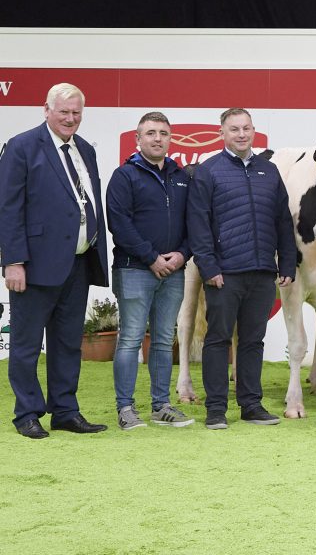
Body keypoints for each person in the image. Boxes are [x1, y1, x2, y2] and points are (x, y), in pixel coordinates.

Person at [0, 83, 109, 438]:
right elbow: (8, 208)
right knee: (27, 345)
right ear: (45, 109)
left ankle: (65, 410)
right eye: (63, 111)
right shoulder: (21, 146)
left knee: (67, 344)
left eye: (77, 112)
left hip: (77, 263)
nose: (71, 118)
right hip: (33, 266)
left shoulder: (86, 150)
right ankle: (27, 414)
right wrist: (12, 261)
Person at [187, 108, 297, 430]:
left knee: (253, 340)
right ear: (222, 133)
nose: (241, 134)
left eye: (246, 128)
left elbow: (282, 221)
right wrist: (209, 267)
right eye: (234, 129)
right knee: (218, 339)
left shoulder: (270, 171)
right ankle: (216, 409)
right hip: (224, 274)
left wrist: (286, 262)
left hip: (263, 272)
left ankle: (251, 405)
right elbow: (199, 224)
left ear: (253, 131)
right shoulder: (209, 171)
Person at [106, 112, 193, 430]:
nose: (158, 138)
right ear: (138, 139)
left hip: (174, 272)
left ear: (171, 139)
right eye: (151, 133)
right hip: (134, 271)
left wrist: (183, 254)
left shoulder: (181, 176)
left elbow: (193, 223)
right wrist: (152, 258)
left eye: (164, 133)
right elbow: (119, 224)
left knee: (162, 340)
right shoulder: (124, 176)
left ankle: (161, 406)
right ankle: (125, 408)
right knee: (130, 339)